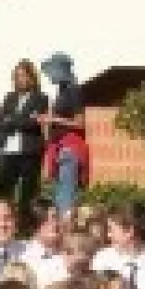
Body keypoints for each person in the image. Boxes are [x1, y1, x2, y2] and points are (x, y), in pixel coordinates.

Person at [0, 60, 49, 222]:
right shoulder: (10, 97)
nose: (20, 79)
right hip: (9, 149)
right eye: (17, 76)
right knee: (3, 190)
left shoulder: (41, 98)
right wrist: (21, 119)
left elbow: (34, 123)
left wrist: (12, 120)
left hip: (29, 151)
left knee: (28, 192)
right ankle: (2, 219)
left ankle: (26, 224)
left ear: (32, 78)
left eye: (24, 76)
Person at [40, 53, 87, 214]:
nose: (49, 76)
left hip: (70, 147)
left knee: (65, 197)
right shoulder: (62, 91)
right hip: (59, 147)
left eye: (52, 71)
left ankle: (67, 231)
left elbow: (81, 123)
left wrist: (54, 118)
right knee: (60, 196)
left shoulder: (74, 91)